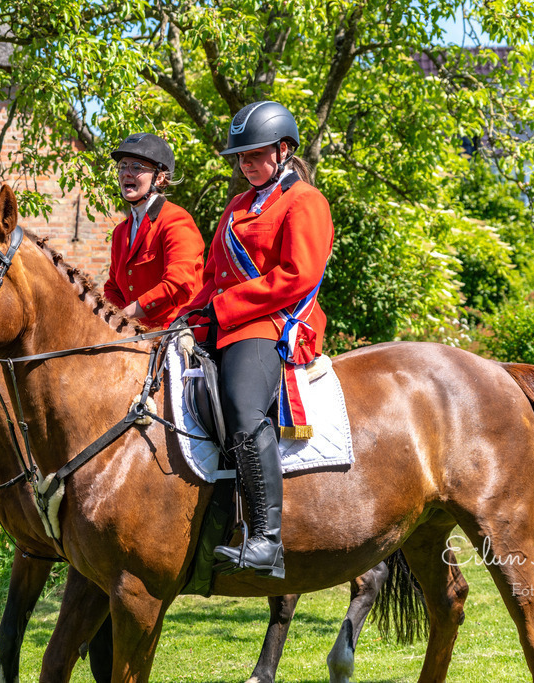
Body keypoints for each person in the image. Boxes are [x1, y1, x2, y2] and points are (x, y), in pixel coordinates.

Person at [183, 101, 335, 579]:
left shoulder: (305, 201)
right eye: (241, 157)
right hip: (229, 323)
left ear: (284, 150)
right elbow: (213, 276)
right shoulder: (237, 206)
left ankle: (268, 539)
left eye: (255, 154)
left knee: (242, 408)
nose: (245, 163)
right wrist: (192, 317)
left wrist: (224, 308)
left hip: (275, 321)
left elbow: (297, 275)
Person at [104, 133, 205, 329]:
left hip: (175, 330)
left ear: (159, 178)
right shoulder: (120, 232)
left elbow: (177, 285)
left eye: (136, 167)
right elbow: (113, 288)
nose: (126, 173)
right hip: (133, 332)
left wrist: (126, 315)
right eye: (123, 166)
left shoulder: (176, 220)